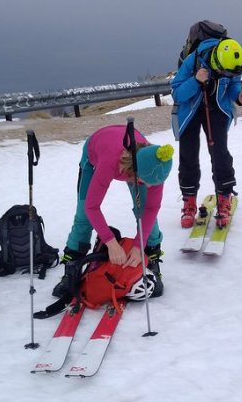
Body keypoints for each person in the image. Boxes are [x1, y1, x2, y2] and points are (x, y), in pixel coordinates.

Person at [51, 125, 174, 298]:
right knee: (83, 214)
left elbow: (152, 209)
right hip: (96, 154)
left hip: (133, 163)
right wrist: (111, 243)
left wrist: (139, 245)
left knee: (144, 209)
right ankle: (72, 268)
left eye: (153, 184)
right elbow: (92, 207)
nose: (149, 187)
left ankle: (151, 259)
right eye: (145, 182)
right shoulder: (110, 161)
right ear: (135, 172)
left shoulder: (156, 166)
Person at [170, 34, 242, 229]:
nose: (228, 75)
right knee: (188, 155)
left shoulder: (231, 63)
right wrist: (196, 81)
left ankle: (224, 198)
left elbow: (234, 84)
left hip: (217, 109)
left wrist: (240, 96)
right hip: (190, 111)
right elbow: (177, 93)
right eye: (224, 72)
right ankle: (189, 203)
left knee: (220, 153)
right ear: (215, 61)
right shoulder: (194, 60)